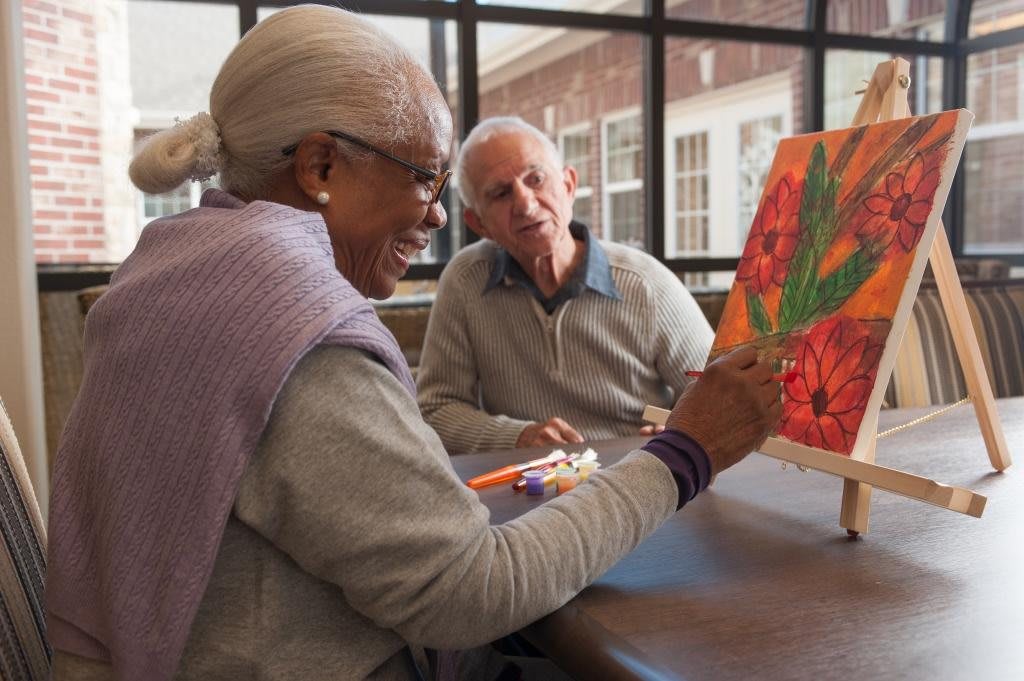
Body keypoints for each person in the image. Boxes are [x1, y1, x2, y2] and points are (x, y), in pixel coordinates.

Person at [44, 6, 781, 681]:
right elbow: (472, 590)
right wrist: (684, 453)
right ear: (320, 166)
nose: (435, 217)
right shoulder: (295, 334)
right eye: (427, 180)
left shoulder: (171, 265)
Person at [416, 117, 714, 454]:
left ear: (569, 186)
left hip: (639, 480)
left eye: (537, 179)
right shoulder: (465, 281)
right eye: (501, 193)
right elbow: (436, 411)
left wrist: (680, 433)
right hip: (529, 493)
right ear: (478, 223)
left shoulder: (646, 284)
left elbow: (721, 402)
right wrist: (519, 436)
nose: (526, 204)